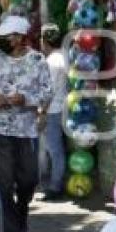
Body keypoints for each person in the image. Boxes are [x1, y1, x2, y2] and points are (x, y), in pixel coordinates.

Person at [0, 16, 52, 232]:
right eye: (1, 35)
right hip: (0, 129)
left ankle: (21, 215)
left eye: (7, 35)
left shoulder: (38, 60)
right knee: (5, 183)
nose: (2, 39)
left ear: (20, 37)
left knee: (29, 180)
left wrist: (27, 100)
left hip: (27, 129)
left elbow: (47, 92)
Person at [39, 23, 67, 201]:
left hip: (53, 110)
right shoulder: (64, 56)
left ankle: (55, 186)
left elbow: (48, 92)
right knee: (56, 148)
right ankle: (53, 181)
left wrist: (42, 113)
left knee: (54, 149)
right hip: (62, 107)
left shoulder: (50, 62)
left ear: (44, 41)